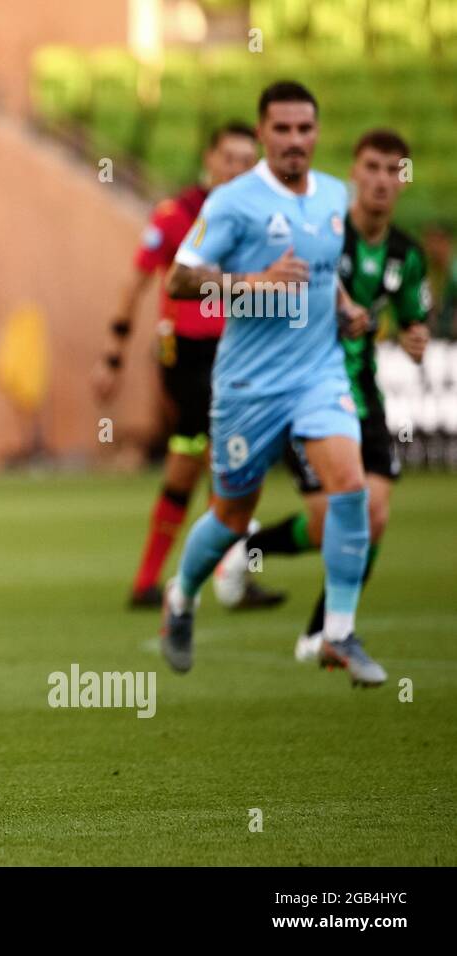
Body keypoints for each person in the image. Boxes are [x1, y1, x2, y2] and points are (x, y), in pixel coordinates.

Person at [160, 81, 383, 687]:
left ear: (317, 133)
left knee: (351, 485)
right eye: (281, 130)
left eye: (304, 129)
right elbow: (180, 281)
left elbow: (318, 272)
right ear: (262, 134)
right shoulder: (234, 202)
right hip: (249, 385)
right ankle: (180, 598)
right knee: (233, 515)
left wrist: (342, 307)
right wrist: (253, 284)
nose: (294, 141)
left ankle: (336, 632)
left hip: (317, 373)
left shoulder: (335, 194)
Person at [231, 129, 429, 661]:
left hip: (363, 396)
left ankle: (323, 632)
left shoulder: (406, 256)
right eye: (373, 167)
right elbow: (271, 303)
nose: (383, 180)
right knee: (328, 524)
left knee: (374, 515)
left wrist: (415, 338)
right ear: (354, 173)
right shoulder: (321, 234)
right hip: (308, 391)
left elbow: (415, 324)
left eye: (394, 170)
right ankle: (246, 548)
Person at [94, 122, 282, 610]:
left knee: (186, 461)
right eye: (230, 158)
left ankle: (147, 581)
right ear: (209, 159)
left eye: (248, 161)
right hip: (188, 355)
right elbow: (135, 282)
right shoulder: (178, 215)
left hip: (238, 352)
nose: (239, 169)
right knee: (233, 458)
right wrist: (113, 352)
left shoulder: (259, 219)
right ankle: (228, 575)